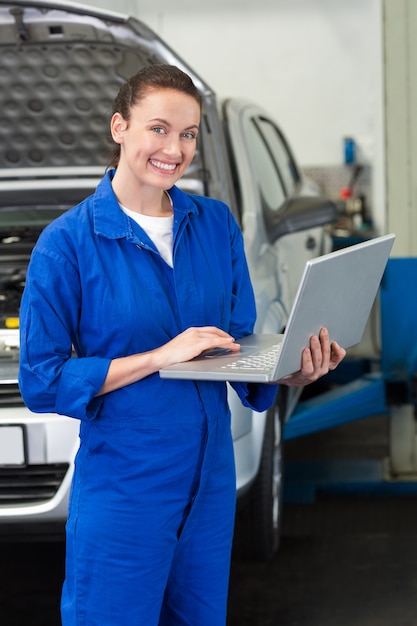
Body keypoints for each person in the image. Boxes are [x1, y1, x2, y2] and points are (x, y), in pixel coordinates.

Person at [18, 64, 345, 626]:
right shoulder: (66, 244)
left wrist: (288, 370)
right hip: (126, 488)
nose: (175, 148)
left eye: (189, 134)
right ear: (119, 127)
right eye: (159, 129)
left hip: (209, 483)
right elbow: (41, 380)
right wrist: (160, 356)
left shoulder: (215, 225)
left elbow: (236, 343)